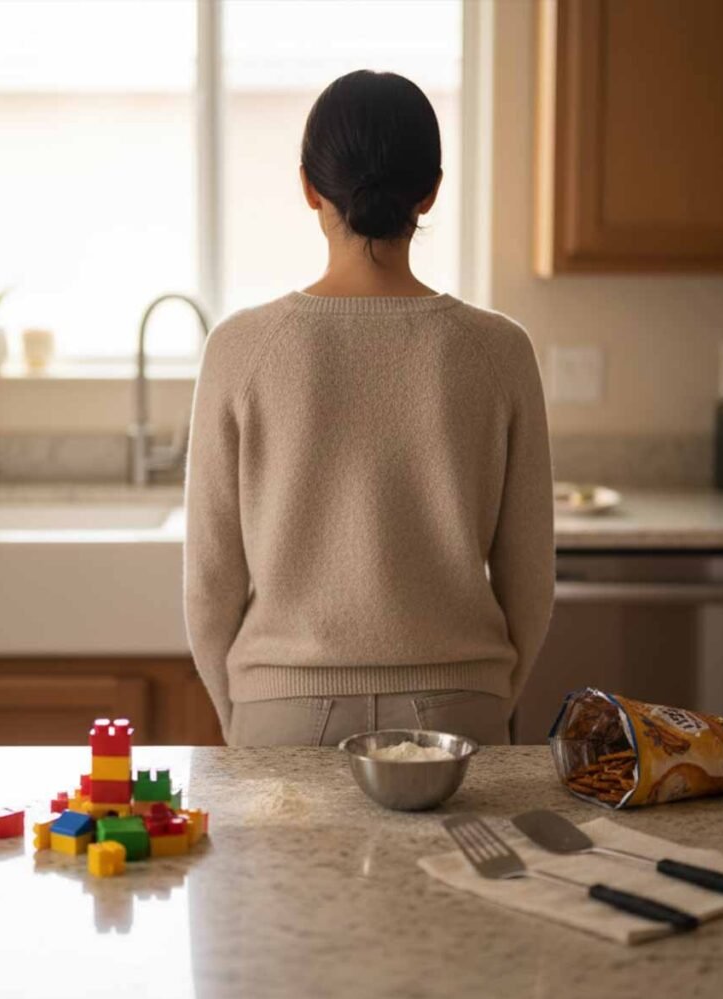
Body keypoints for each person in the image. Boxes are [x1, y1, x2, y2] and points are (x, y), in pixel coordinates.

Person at [183, 69, 554, 747]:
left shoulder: (240, 348)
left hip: (283, 714)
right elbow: (531, 579)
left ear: (308, 187)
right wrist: (484, 698)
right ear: (431, 190)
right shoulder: (501, 350)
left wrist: (246, 716)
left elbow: (210, 583)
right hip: (462, 711)